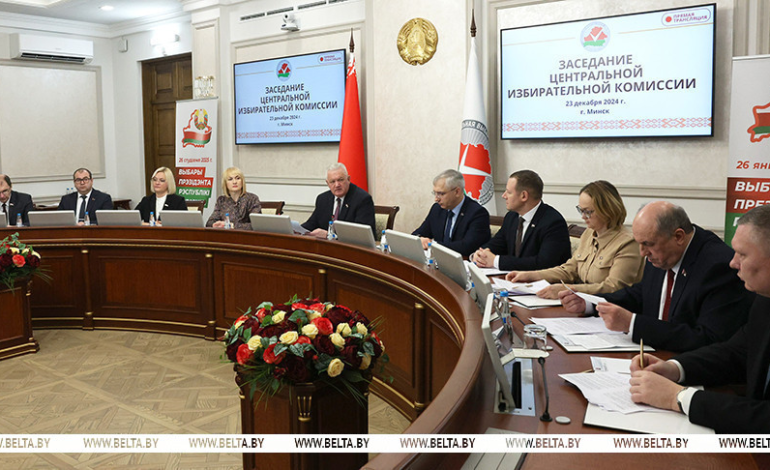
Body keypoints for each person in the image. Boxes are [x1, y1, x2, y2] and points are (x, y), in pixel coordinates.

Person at [628, 204, 770, 433]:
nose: (733, 263)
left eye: (742, 254)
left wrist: (679, 398)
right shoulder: (764, 299)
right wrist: (673, 368)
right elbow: (736, 352)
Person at [560, 201, 754, 352]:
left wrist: (633, 324)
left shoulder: (717, 266)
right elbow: (642, 294)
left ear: (678, 237)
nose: (643, 253)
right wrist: (590, 303)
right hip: (651, 356)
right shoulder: (663, 251)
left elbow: (708, 338)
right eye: (639, 244)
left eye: (648, 244)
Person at [506, 180, 644, 299]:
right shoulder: (589, 234)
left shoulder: (628, 243)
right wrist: (531, 275)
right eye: (581, 210)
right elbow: (570, 269)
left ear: (607, 210)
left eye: (588, 212)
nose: (583, 217)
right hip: (580, 304)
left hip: (606, 309)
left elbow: (613, 287)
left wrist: (570, 289)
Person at [470, 170, 570, 271]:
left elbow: (544, 263)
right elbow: (496, 244)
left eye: (509, 192)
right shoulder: (511, 217)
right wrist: (480, 254)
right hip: (512, 278)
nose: (504, 196)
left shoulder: (553, 222)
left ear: (524, 196)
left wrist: (496, 261)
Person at [411, 169, 490, 257]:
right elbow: (418, 233)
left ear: (457, 192)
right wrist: (420, 239)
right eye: (435, 193)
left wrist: (433, 245)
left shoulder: (477, 213)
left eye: (441, 194)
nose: (436, 199)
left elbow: (467, 247)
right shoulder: (437, 209)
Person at [302, 163, 375, 238]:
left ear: (348, 179)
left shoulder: (362, 199)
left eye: (340, 180)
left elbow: (362, 234)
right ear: (328, 183)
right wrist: (297, 230)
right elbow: (311, 224)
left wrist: (329, 235)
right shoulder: (322, 199)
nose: (337, 185)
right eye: (332, 181)